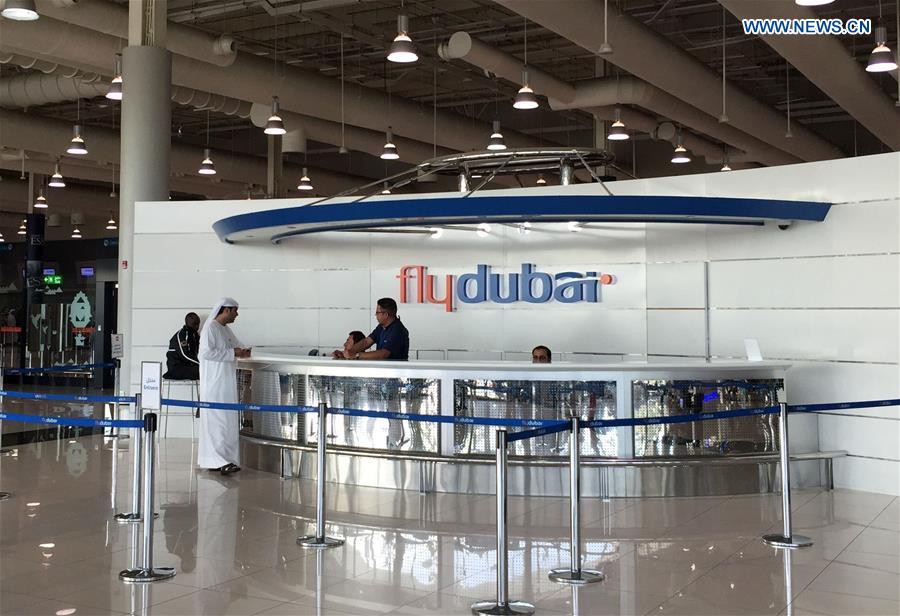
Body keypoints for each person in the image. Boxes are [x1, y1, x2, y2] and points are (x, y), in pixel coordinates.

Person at [198, 297, 251, 475]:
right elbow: (206, 354)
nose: (237, 314)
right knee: (217, 422)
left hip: (226, 383)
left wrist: (243, 351)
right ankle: (216, 460)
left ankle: (226, 459)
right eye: (235, 310)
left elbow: (237, 346)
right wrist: (232, 353)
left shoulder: (225, 329)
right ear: (226, 310)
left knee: (227, 422)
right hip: (214, 384)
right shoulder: (210, 328)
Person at [343, 298, 409, 361]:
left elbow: (383, 354)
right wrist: (348, 352)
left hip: (395, 371)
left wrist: (356, 355)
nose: (376, 315)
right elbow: (366, 341)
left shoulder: (398, 331)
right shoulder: (381, 327)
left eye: (377, 313)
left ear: (385, 315)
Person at [163, 312, 201, 380]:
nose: (197, 326)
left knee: (207, 370)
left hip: (187, 366)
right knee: (204, 371)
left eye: (198, 324)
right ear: (187, 322)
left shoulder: (195, 335)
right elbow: (184, 354)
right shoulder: (181, 335)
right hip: (176, 368)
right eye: (195, 324)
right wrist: (200, 363)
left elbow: (199, 351)